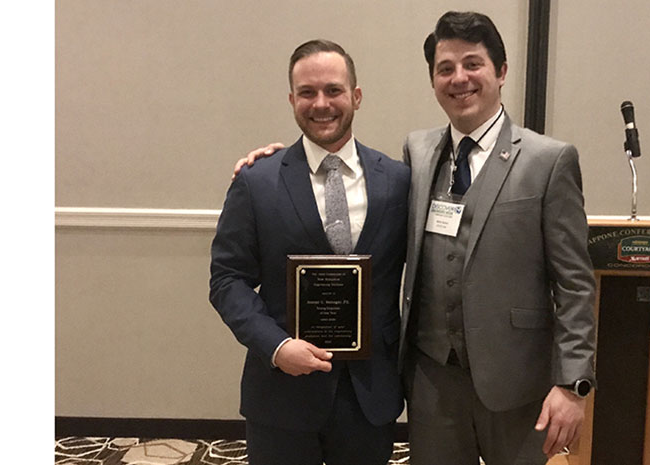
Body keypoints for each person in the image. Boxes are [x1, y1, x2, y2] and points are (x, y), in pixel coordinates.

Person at [235, 11, 596, 464]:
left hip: (515, 381)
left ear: (501, 72)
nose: (458, 78)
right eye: (445, 68)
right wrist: (273, 164)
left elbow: (575, 283)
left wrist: (573, 382)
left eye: (472, 64)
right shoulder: (418, 155)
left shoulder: (549, 160)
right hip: (430, 383)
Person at [209, 39, 409, 465]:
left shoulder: (399, 180)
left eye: (334, 90)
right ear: (291, 99)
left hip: (369, 395)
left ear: (356, 96)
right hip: (281, 393)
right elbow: (228, 280)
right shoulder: (257, 182)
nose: (321, 103)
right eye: (307, 92)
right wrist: (277, 346)